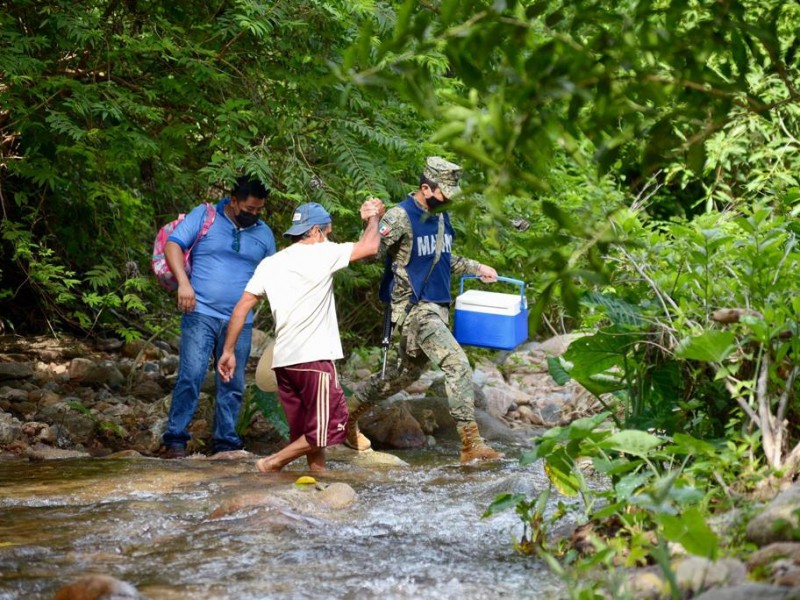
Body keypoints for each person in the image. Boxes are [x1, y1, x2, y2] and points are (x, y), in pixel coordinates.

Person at [345, 157, 504, 463]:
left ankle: (348, 415)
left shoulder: (441, 218)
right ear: (425, 188)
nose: (448, 200)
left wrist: (477, 266)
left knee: (402, 376)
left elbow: (442, 258)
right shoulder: (400, 216)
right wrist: (369, 222)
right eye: (444, 193)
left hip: (437, 308)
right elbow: (367, 255)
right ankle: (471, 444)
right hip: (414, 311)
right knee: (457, 363)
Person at [218, 198, 384, 472]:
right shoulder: (322, 253)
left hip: (284, 363)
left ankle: (318, 477)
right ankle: (271, 463)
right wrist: (374, 218)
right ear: (316, 231)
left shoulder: (270, 264)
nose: (329, 238)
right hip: (314, 359)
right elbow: (370, 246)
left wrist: (228, 352)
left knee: (307, 432)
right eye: (328, 232)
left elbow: (241, 308)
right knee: (329, 427)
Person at [160, 176, 276, 458]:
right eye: (249, 209)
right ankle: (175, 439)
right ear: (233, 201)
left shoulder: (264, 234)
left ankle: (225, 442)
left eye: (259, 210)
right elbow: (173, 245)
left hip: (241, 321)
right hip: (200, 312)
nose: (254, 215)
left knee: (233, 381)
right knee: (192, 374)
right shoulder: (206, 216)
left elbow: (274, 275)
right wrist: (184, 285)